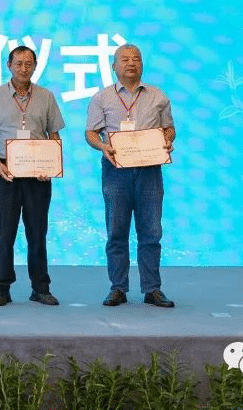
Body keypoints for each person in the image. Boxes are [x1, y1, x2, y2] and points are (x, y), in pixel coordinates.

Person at [85, 44, 176, 308]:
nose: (131, 63)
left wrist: (168, 140)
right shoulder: (102, 98)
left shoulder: (158, 96)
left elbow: (169, 128)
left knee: (151, 232)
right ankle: (118, 288)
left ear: (142, 65)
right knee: (116, 231)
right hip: (116, 170)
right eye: (124, 59)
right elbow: (90, 133)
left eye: (136, 58)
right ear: (114, 66)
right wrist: (103, 146)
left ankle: (152, 289)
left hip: (149, 171)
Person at [0, 45, 64, 307]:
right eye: (19, 63)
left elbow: (54, 134)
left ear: (35, 66)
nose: (24, 68)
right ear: (9, 65)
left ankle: (41, 288)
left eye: (29, 64)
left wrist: (51, 166)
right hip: (5, 172)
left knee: (37, 233)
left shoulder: (46, 96)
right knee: (4, 234)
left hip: (38, 174)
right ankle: (2, 288)